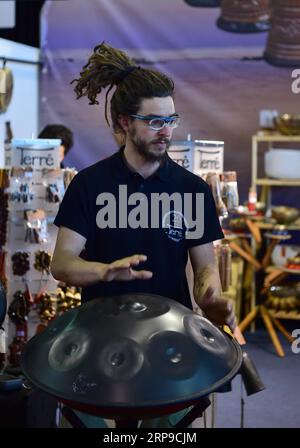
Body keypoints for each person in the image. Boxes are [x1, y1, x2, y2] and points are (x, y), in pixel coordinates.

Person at [50, 42, 236, 427]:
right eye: (153, 121)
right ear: (123, 122)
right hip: (97, 342)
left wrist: (211, 296)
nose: (165, 131)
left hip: (169, 343)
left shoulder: (192, 190)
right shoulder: (89, 185)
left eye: (171, 120)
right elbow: (62, 263)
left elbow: (204, 268)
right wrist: (103, 272)